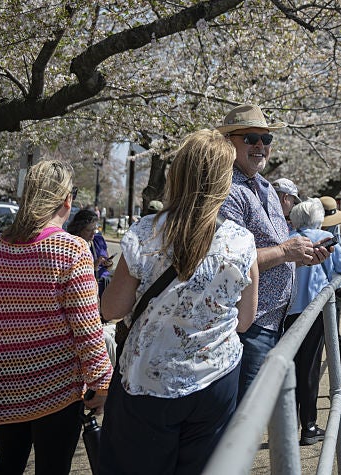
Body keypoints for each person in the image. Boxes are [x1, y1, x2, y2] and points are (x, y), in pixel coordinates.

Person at [98, 129, 259, 475]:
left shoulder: (146, 232)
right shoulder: (241, 241)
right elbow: (245, 320)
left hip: (149, 383)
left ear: (178, 174)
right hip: (215, 380)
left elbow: (111, 310)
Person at [0, 160, 112, 475]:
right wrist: (101, 382)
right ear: (67, 201)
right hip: (56, 385)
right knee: (52, 468)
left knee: (8, 462)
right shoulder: (71, 250)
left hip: (3, 381)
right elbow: (87, 329)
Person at [214, 104, 332, 402]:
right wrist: (283, 252)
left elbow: (276, 249)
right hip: (247, 325)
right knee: (245, 412)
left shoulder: (266, 188)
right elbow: (230, 262)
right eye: (251, 138)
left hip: (277, 320)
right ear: (230, 143)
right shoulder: (227, 191)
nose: (260, 146)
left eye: (266, 140)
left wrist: (302, 256)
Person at [285, 198, 341, 446]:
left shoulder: (288, 239)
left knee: (290, 369)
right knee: (310, 369)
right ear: (318, 219)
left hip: (287, 313)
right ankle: (310, 426)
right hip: (313, 312)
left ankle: (288, 426)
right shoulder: (324, 239)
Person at [66, 208, 114, 296]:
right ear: (79, 229)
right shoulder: (73, 245)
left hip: (106, 285)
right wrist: (94, 266)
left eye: (94, 229)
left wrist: (108, 263)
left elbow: (108, 262)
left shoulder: (98, 240)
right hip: (88, 289)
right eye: (88, 230)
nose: (93, 234)